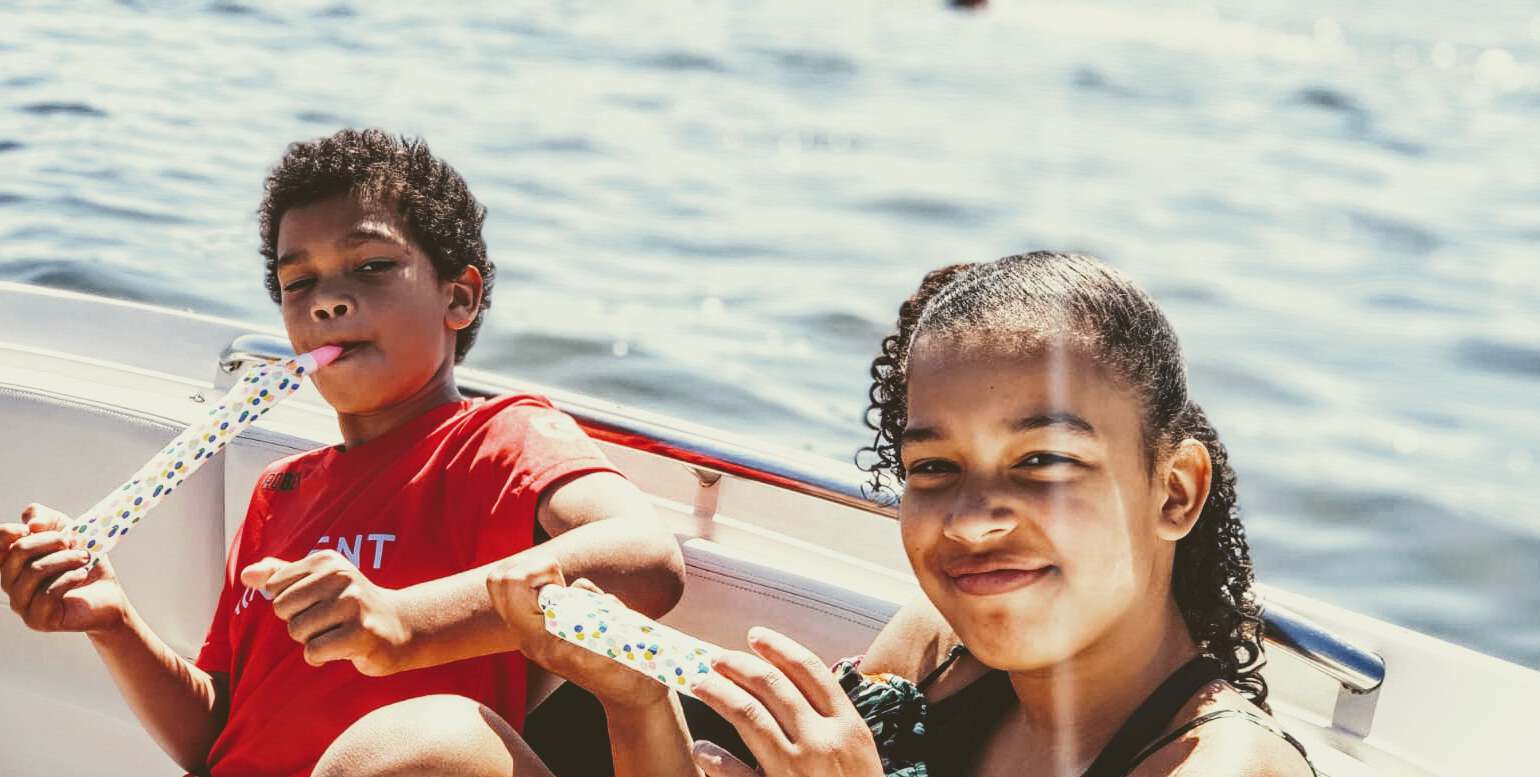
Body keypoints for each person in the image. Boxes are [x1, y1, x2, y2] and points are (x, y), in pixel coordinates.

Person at [0, 128, 685, 777]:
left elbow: (647, 560)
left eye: (372, 265)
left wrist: (402, 622)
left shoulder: (499, 440)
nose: (327, 299)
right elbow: (220, 737)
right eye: (299, 283)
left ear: (460, 296)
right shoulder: (281, 490)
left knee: (442, 735)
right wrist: (116, 624)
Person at [535, 251, 1316, 776]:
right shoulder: (936, 649)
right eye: (935, 467)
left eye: (1043, 461)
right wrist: (635, 701)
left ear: (1174, 490)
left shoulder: (1222, 764)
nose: (974, 521)